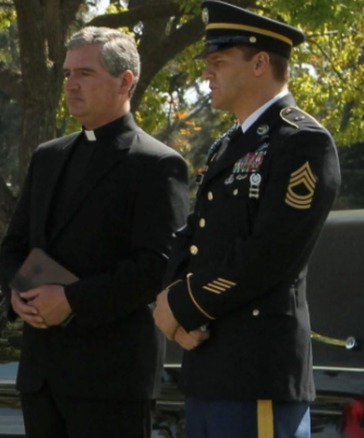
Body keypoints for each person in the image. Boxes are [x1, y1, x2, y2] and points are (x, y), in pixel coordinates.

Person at [153, 2, 341, 437]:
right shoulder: (227, 145)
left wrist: (183, 305)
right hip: (207, 367)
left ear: (260, 63)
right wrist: (168, 302)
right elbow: (194, 234)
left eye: (218, 61)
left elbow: (269, 255)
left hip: (256, 372)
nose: (206, 74)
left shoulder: (303, 142)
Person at [0, 27, 190, 438]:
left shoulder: (157, 165)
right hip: (41, 375)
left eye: (84, 73)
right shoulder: (48, 157)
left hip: (111, 382)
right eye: (67, 74)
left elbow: (155, 267)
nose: (70, 84)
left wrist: (70, 300)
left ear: (125, 82)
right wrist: (15, 295)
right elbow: (14, 245)